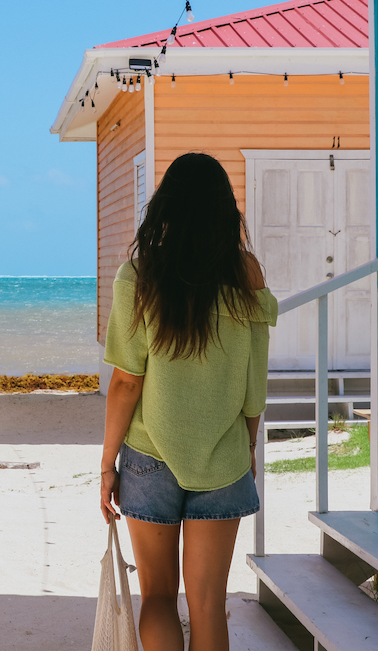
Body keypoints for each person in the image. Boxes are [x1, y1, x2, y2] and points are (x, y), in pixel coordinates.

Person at [98, 152, 277, 651]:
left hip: (148, 458)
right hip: (222, 457)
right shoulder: (247, 273)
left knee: (157, 598)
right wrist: (249, 445)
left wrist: (108, 462)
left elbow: (126, 383)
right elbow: (253, 380)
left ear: (165, 208)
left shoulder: (139, 275)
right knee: (208, 603)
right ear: (225, 210)